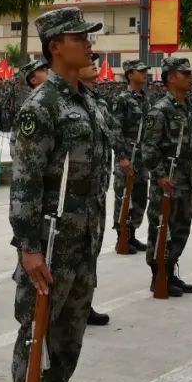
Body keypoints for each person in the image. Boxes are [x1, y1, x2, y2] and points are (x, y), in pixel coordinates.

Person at [8, 7, 111, 382]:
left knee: (69, 334)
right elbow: (26, 183)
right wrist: (28, 248)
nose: (89, 44)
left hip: (83, 237)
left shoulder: (87, 100)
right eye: (79, 37)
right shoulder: (41, 106)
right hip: (50, 242)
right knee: (38, 334)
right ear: (55, 47)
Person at [140, 56, 192, 297]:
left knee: (181, 228)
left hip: (186, 177)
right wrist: (161, 175)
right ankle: (159, 276)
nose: (190, 78)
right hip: (168, 180)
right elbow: (148, 148)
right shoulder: (160, 111)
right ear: (172, 77)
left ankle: (170, 270)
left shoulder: (188, 107)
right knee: (161, 227)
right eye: (185, 74)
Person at [78, 57, 115, 327]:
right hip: (71, 201)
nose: (94, 63)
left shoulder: (97, 101)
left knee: (91, 251)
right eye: (88, 61)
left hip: (97, 192)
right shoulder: (57, 103)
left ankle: (84, 302)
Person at [110, 60, 150, 255]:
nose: (145, 74)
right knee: (124, 197)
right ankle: (122, 237)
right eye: (140, 71)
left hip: (142, 157)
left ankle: (132, 234)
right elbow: (115, 129)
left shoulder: (145, 98)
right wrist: (121, 157)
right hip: (128, 155)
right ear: (130, 74)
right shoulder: (122, 99)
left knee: (140, 197)